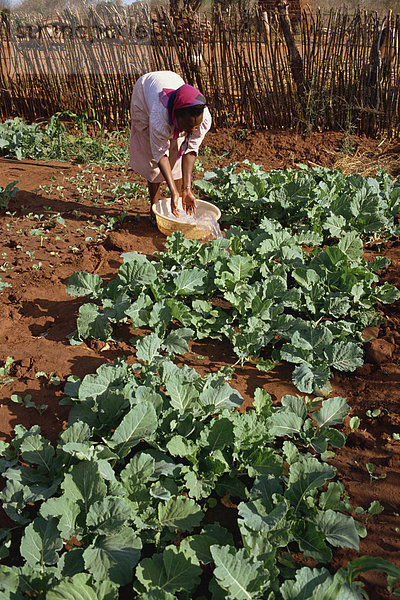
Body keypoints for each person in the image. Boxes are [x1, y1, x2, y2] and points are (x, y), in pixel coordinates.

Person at [129, 71, 212, 224]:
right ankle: (154, 209)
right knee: (152, 161)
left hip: (172, 82)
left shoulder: (201, 115)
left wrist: (186, 189)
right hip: (144, 94)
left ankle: (179, 200)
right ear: (175, 116)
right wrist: (173, 191)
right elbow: (159, 154)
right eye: (188, 126)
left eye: (196, 126)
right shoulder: (159, 116)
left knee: (177, 152)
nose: (193, 130)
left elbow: (190, 150)